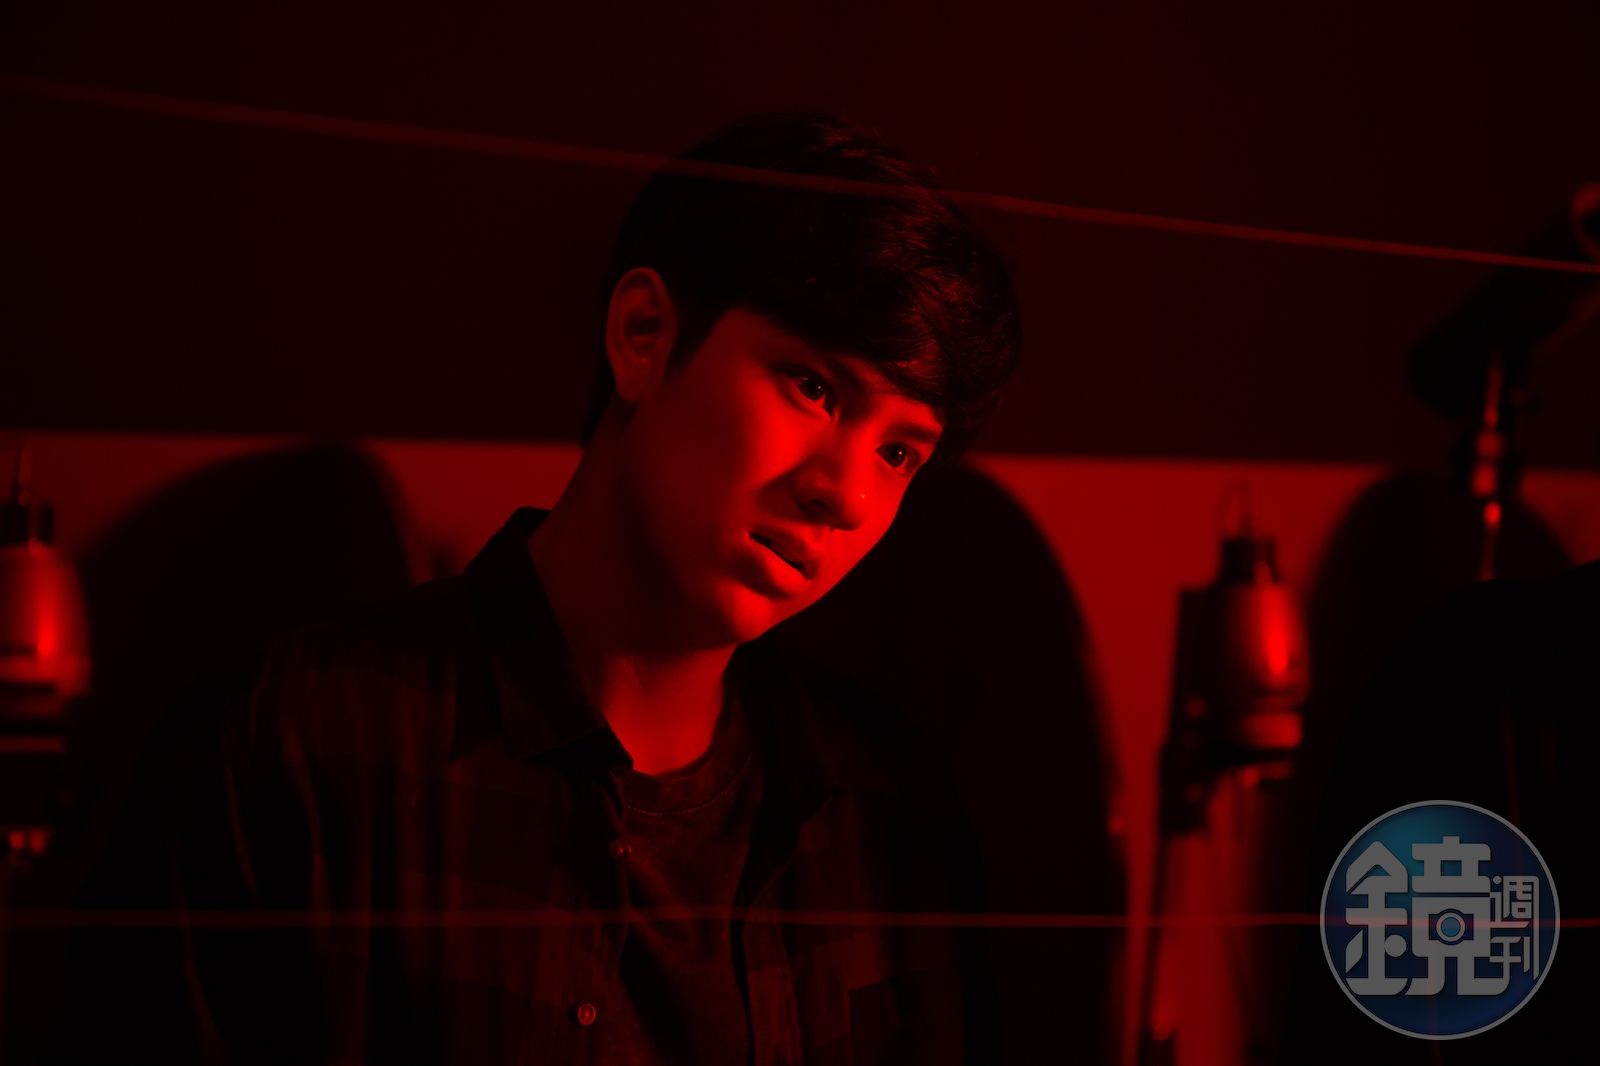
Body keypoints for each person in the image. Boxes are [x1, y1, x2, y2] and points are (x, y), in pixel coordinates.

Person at [60, 112, 1023, 1064]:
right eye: (813, 388)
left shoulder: (889, 814)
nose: (845, 493)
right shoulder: (296, 750)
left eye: (900, 452)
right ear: (644, 334)